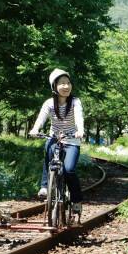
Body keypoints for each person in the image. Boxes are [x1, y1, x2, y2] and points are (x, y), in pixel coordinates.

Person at [29, 68, 85, 213]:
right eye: (62, 83)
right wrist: (35, 129)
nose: (66, 86)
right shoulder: (49, 103)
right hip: (55, 138)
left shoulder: (75, 102)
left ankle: (76, 200)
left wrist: (80, 130)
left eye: (68, 83)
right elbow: (41, 118)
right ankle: (45, 185)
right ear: (54, 86)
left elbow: (79, 117)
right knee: (49, 152)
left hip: (72, 140)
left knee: (69, 170)